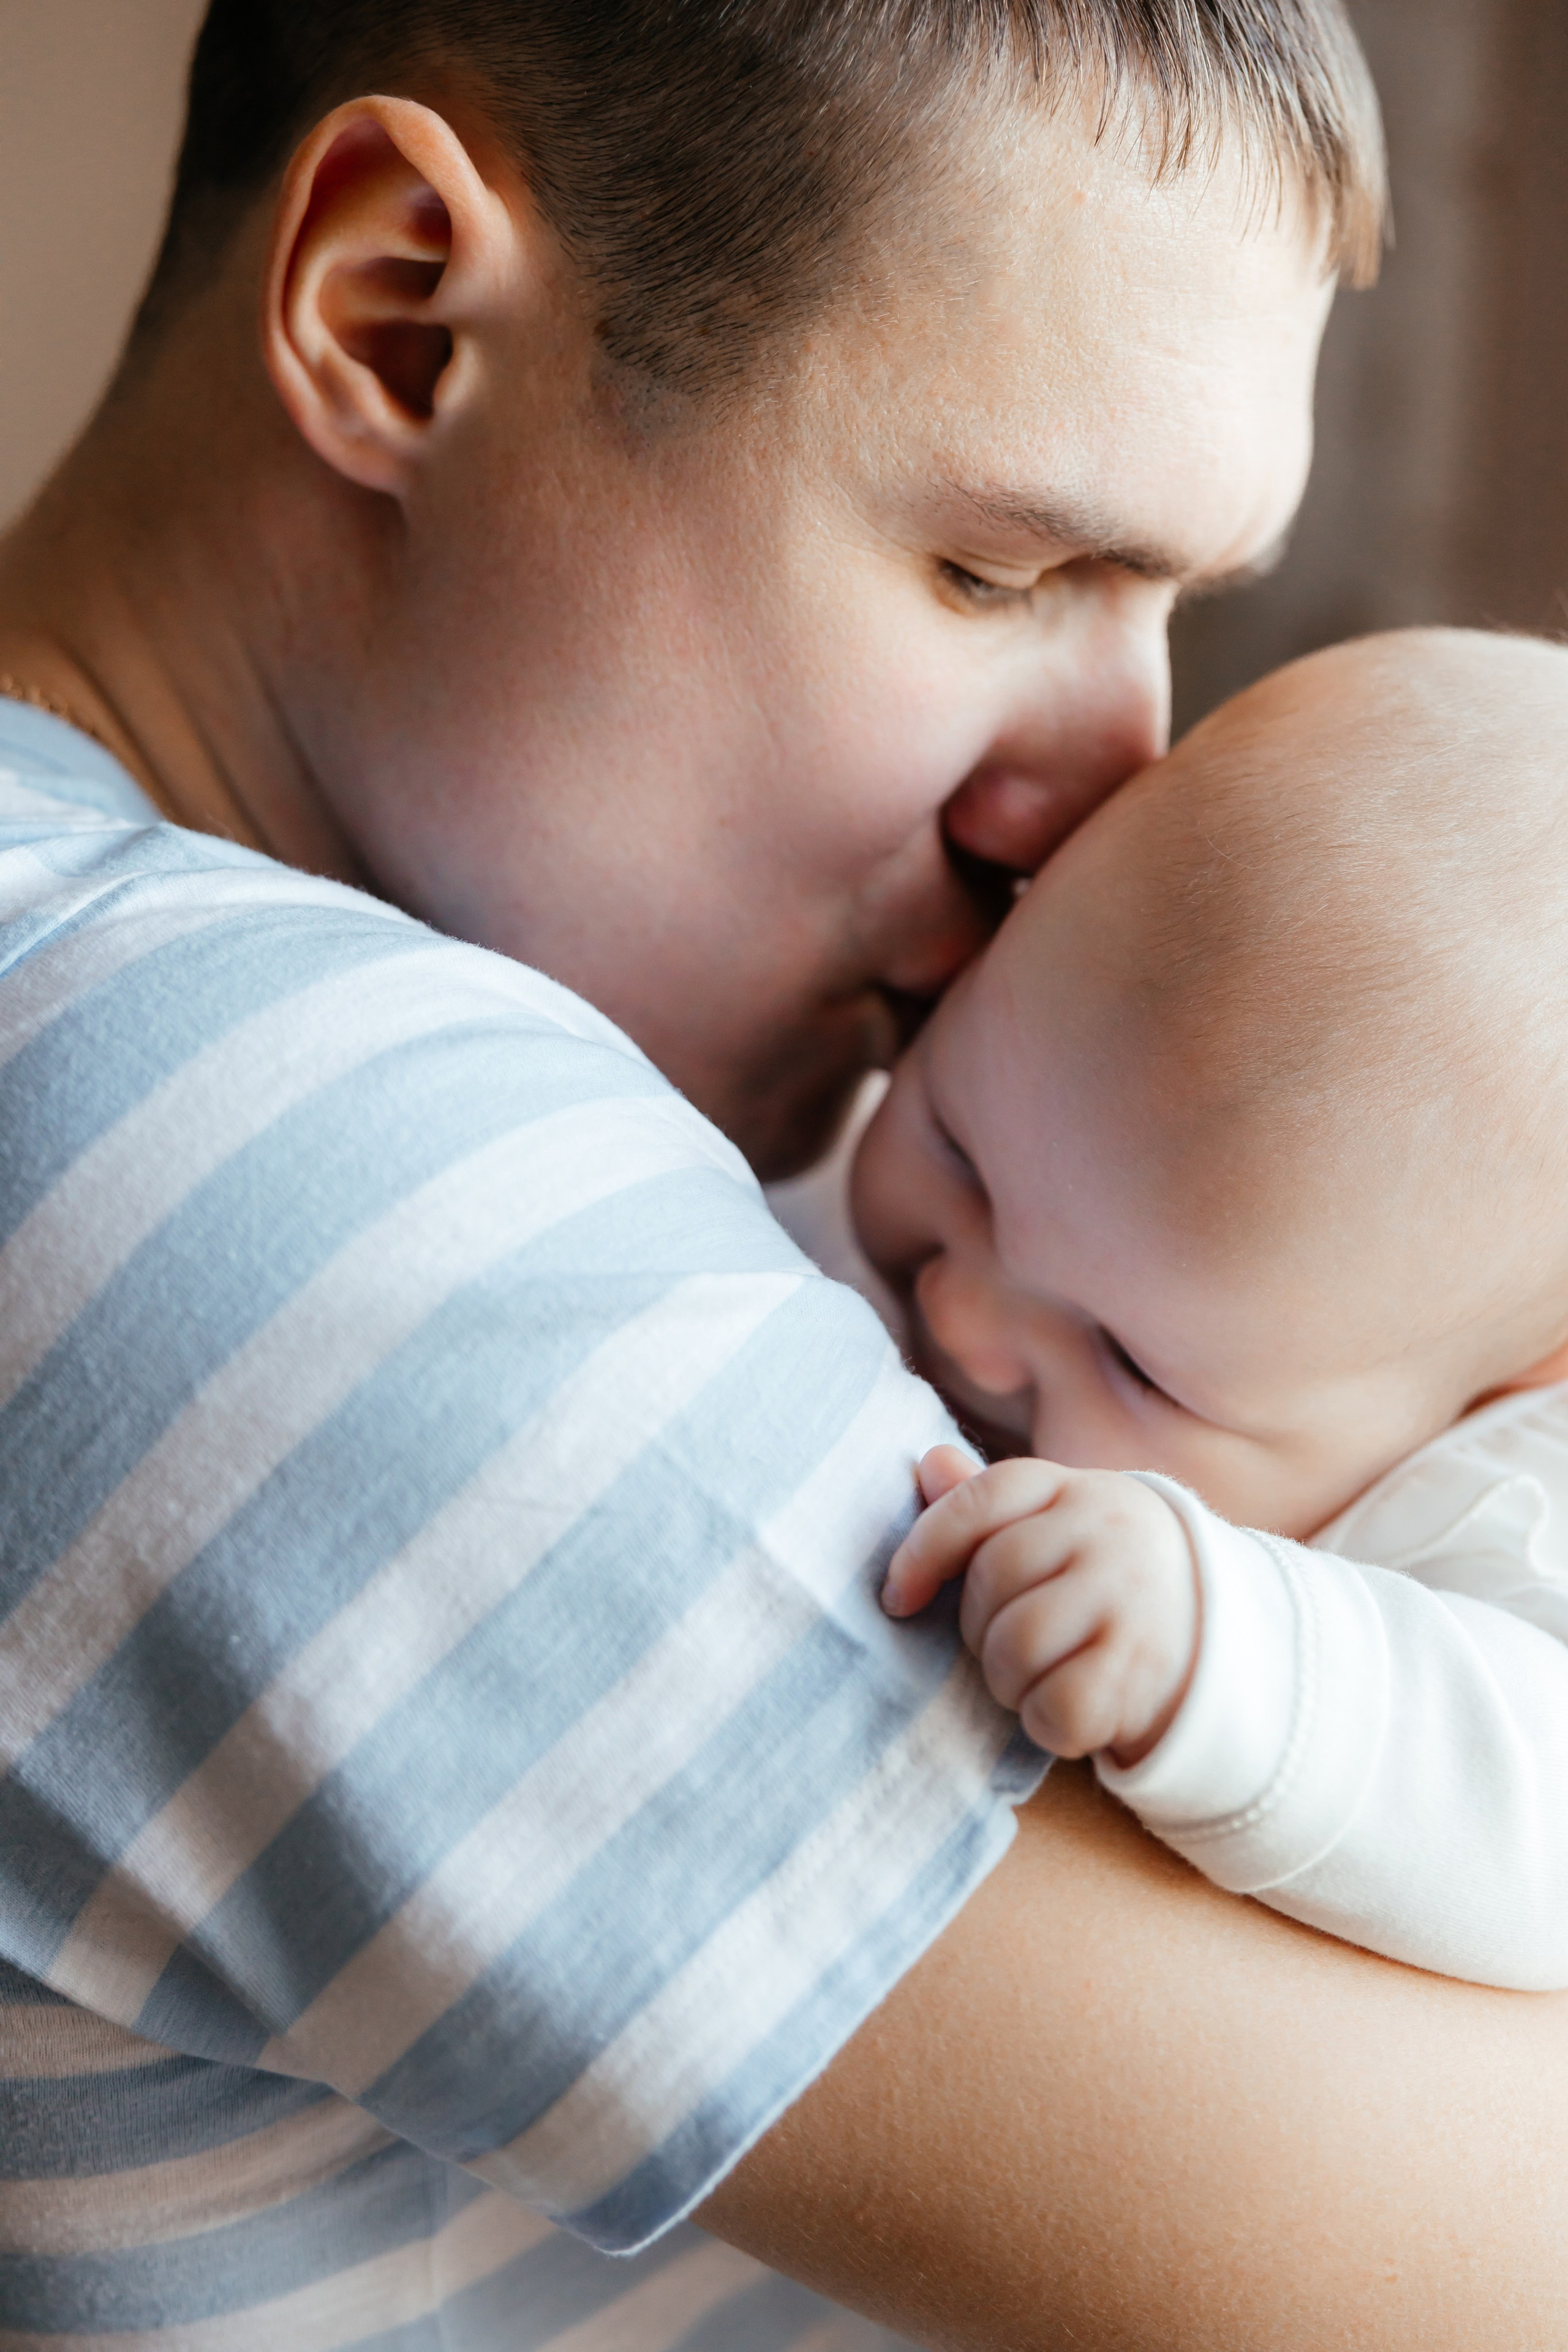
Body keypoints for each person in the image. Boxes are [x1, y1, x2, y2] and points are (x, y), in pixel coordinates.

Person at [0, 4, 1563, 2348]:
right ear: (399, 321)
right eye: (994, 570)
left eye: (1179, 616)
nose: (1100, 801)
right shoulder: (206, 1135)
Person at [863, 627, 1568, 1990]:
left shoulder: (1504, 1511)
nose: (961, 1315)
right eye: (955, 1146)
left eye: (1134, 1365)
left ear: (1498, 1388)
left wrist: (1222, 1647)